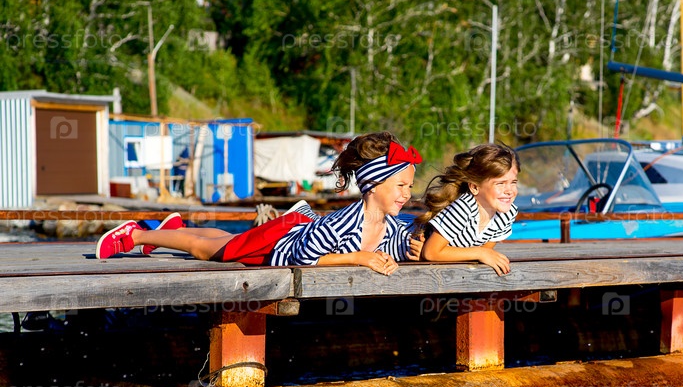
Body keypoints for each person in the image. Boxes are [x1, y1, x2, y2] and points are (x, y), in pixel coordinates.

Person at [95, 132, 423, 275]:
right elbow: (304, 258)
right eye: (400, 186)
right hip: (279, 244)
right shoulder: (344, 223)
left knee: (228, 240)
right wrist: (359, 258)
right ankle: (136, 234)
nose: (407, 194)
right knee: (208, 250)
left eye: (409, 186)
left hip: (293, 230)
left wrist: (414, 250)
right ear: (372, 184)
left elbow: (402, 242)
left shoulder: (392, 226)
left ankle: (175, 229)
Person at [415, 143, 519, 276]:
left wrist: (481, 253)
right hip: (401, 241)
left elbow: (481, 255)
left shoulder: (507, 214)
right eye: (500, 183)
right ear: (475, 187)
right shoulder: (464, 209)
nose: (509, 190)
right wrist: (481, 253)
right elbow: (431, 252)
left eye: (513, 182)